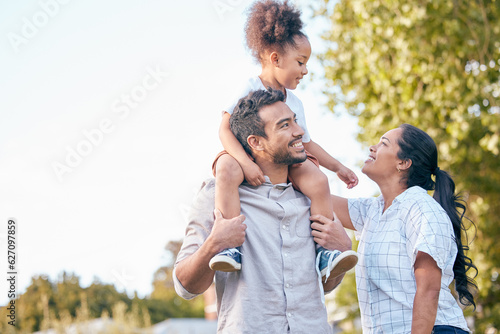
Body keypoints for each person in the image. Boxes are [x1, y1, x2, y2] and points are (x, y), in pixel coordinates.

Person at [173, 88, 355, 333]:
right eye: (284, 125)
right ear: (255, 142)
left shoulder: (312, 195)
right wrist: (214, 245)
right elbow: (185, 286)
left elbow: (327, 284)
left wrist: (341, 248)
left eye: (295, 121)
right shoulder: (217, 195)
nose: (299, 131)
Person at [210, 0, 358, 283]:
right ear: (275, 59)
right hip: (248, 154)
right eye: (300, 63)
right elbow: (224, 130)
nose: (304, 71)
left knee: (317, 181)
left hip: (284, 159)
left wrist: (337, 167)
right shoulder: (249, 88)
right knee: (226, 170)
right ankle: (230, 247)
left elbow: (308, 143)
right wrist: (244, 163)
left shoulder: (295, 102)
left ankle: (324, 251)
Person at [331, 124, 478, 333]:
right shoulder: (372, 210)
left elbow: (429, 290)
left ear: (403, 163)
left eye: (383, 143)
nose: (372, 148)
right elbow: (313, 194)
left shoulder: (423, 209)